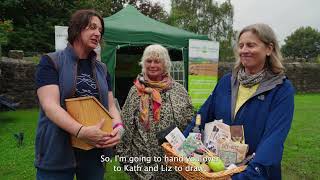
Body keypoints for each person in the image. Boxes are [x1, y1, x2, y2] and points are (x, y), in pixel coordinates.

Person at [184, 23, 294, 179]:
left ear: (269, 49)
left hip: (252, 174)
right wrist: (183, 150)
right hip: (218, 170)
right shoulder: (226, 81)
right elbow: (201, 117)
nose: (244, 50)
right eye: (241, 46)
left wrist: (243, 177)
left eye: (251, 45)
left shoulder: (281, 89)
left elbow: (273, 141)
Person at [35, 9, 123, 180]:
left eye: (100, 30)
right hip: (57, 149)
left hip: (94, 150)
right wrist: (81, 131)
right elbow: (50, 105)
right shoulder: (51, 61)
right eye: (92, 27)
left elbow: (111, 105)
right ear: (77, 28)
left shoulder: (102, 68)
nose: (97, 33)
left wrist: (118, 128)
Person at [116, 44, 193, 179]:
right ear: (143, 64)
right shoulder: (135, 91)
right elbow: (126, 128)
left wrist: (190, 159)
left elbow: (190, 124)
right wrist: (126, 161)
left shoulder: (179, 91)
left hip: (174, 168)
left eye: (157, 61)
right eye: (148, 61)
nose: (152, 65)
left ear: (165, 65)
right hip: (144, 170)